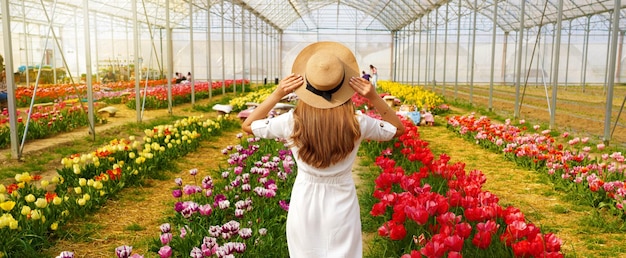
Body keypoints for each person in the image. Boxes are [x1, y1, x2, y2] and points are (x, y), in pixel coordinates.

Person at [242, 41, 405, 258]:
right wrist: (373, 97)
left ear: (305, 85)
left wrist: (277, 94)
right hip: (342, 200)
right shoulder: (357, 121)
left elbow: (247, 125)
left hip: (305, 200)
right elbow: (398, 129)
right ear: (345, 85)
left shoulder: (292, 121)